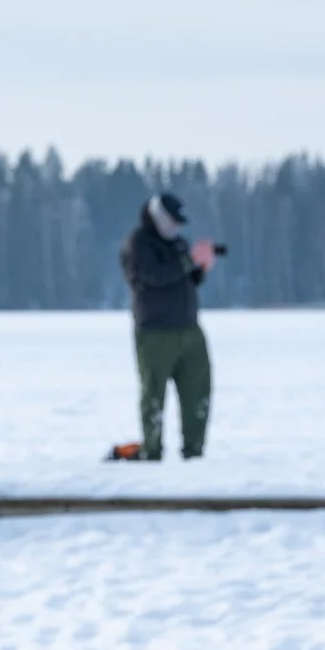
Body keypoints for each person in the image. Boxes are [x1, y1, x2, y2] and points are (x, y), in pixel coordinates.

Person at [118, 192, 217, 460]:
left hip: (189, 327)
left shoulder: (179, 244)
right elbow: (153, 276)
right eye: (173, 222)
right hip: (155, 332)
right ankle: (151, 451)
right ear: (158, 217)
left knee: (198, 391)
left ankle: (194, 450)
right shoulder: (138, 243)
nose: (176, 228)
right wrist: (188, 261)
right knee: (153, 394)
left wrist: (200, 268)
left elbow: (186, 280)